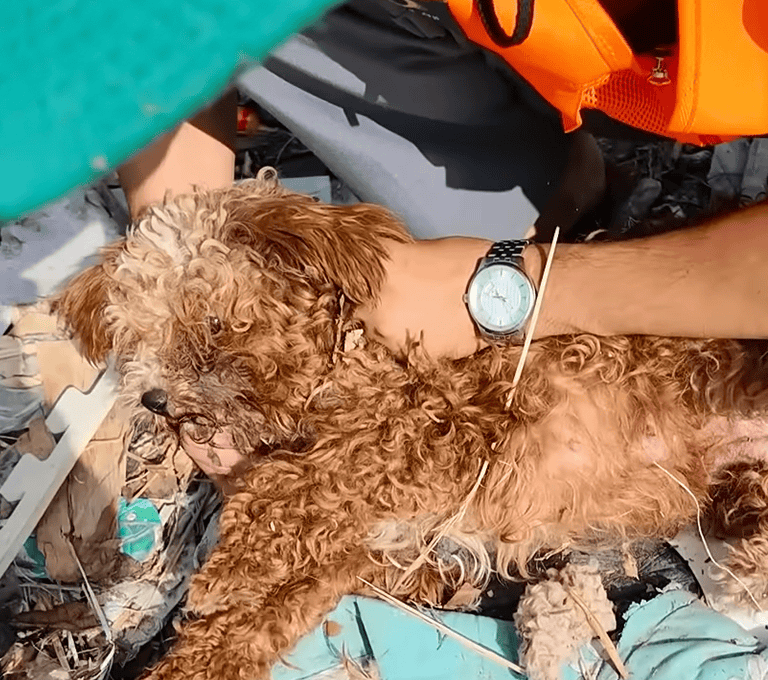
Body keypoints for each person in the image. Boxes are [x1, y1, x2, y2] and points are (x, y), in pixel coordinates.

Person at [116, 0, 768, 473]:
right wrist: (184, 261)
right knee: (491, 226)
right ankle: (545, 178)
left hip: (665, 65)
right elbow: (152, 21)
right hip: (541, 37)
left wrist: (505, 287)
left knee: (505, 239)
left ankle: (561, 196)